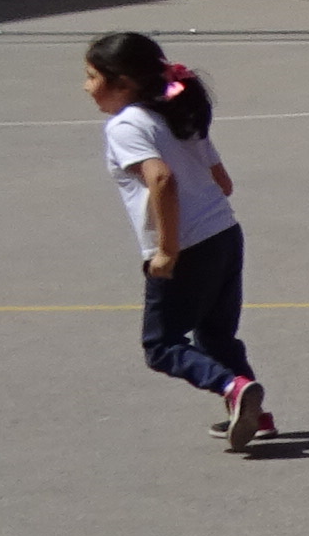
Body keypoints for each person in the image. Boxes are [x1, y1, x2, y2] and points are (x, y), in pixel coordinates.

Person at [82, 31, 271, 451]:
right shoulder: (179, 111)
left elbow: (162, 179)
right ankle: (255, 415)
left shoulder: (126, 125)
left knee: (161, 345)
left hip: (186, 247)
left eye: (92, 76)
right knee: (216, 335)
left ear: (122, 82)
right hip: (224, 235)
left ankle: (234, 388)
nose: (86, 86)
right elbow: (223, 183)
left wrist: (167, 250)